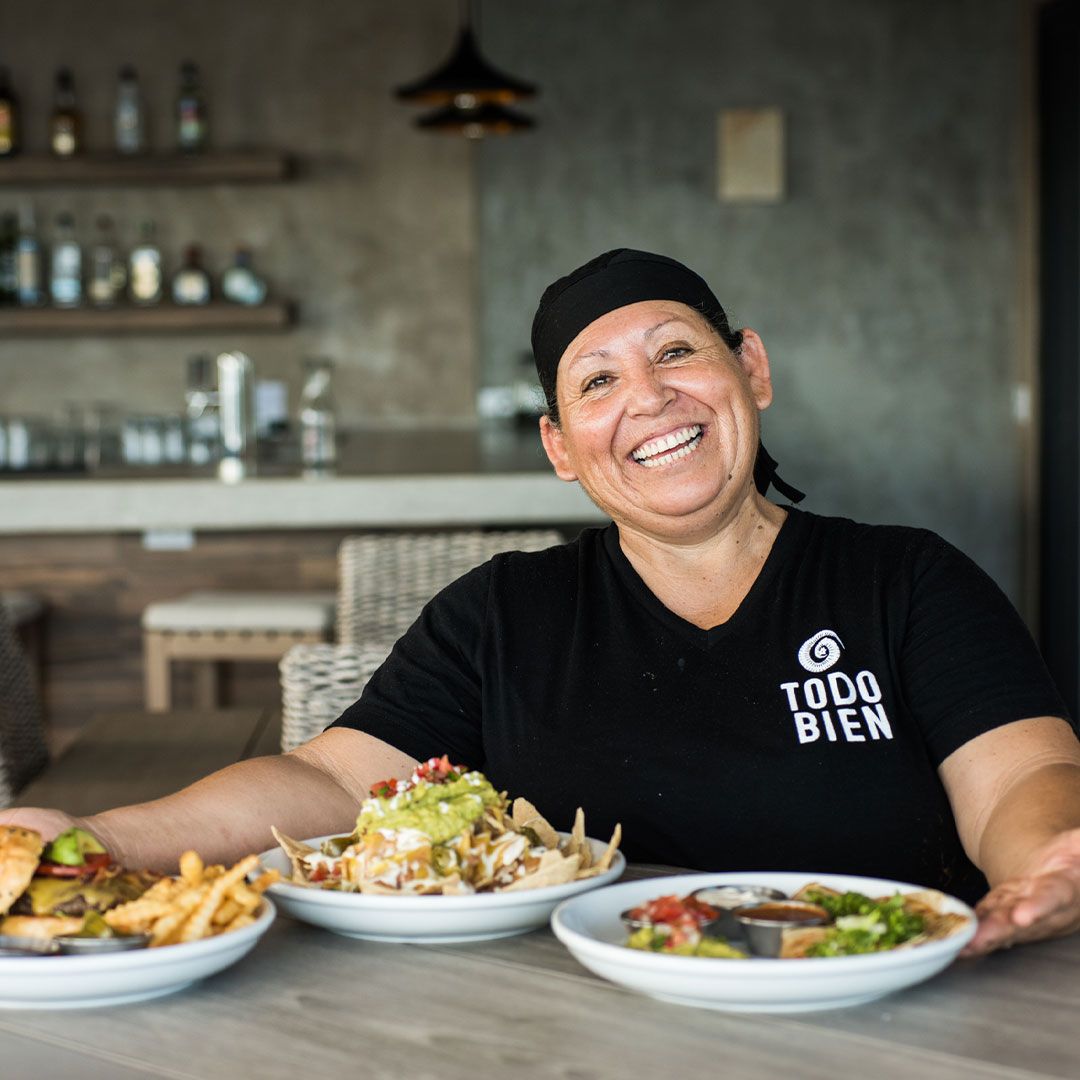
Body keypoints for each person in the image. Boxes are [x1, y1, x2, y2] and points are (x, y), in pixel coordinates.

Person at [3, 249, 1079, 957]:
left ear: (748, 370)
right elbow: (327, 778)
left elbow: (1022, 775)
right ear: (562, 449)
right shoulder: (506, 614)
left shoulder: (907, 581)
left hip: (881, 1007)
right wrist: (92, 834)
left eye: (676, 353)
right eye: (595, 382)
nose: (648, 398)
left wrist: (1044, 868)